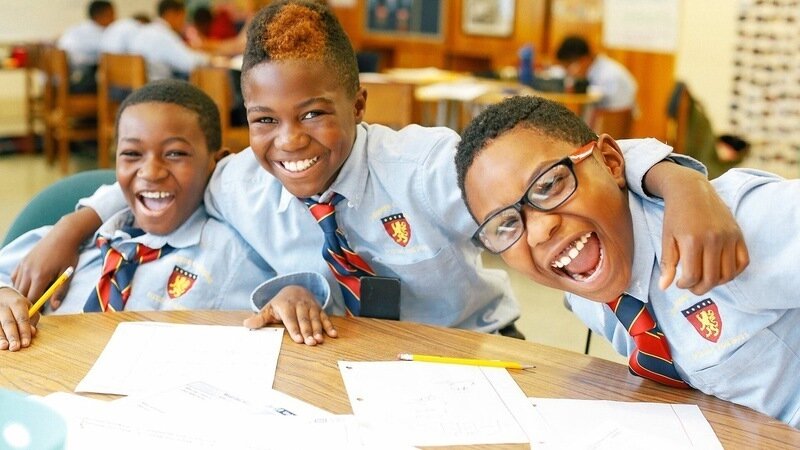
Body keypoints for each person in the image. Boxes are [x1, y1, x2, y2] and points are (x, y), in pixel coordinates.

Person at [13, 1, 747, 348]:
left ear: (359, 105)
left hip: (477, 349)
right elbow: (150, 179)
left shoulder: (427, 167)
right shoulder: (239, 180)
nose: (289, 142)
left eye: (315, 113)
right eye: (264, 120)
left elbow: (569, 168)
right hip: (340, 354)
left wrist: (681, 180)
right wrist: (72, 228)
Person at [455, 95, 797, 427]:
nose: (540, 232)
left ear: (611, 163)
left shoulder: (731, 223)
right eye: (506, 224)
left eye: (550, 184)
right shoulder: (584, 289)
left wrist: (681, 181)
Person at [0, 80, 272, 352]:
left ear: (218, 163)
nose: (151, 172)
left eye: (176, 153)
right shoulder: (75, 242)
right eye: (131, 154)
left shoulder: (235, 253)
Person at [129, 0, 211, 80]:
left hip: (142, 86)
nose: (184, 23)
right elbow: (189, 63)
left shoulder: (145, 30)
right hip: (161, 85)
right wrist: (209, 58)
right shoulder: (164, 34)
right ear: (171, 14)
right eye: (183, 18)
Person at [556, 35, 637, 111]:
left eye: (568, 66)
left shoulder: (610, 75)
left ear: (584, 60)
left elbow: (611, 110)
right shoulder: (595, 69)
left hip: (610, 117)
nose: (568, 72)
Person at [57, 0, 116, 92]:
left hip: (61, 82)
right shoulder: (98, 34)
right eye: (112, 15)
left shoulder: (76, 28)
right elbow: (111, 53)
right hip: (77, 81)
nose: (115, 19)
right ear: (101, 15)